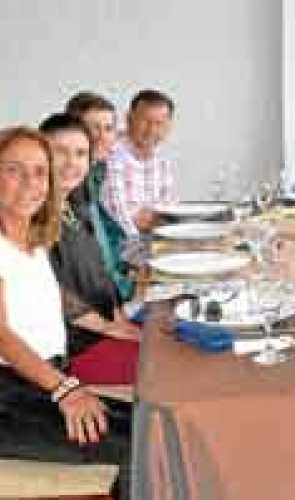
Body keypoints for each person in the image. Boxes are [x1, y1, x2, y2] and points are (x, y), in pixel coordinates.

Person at [0, 126, 130, 498]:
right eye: (14, 170)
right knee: (141, 446)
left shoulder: (31, 239)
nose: (30, 182)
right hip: (11, 396)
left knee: (151, 427)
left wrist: (112, 326)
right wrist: (65, 390)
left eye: (40, 171)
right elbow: (3, 334)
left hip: (42, 380)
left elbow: (47, 295)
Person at [40, 114, 140, 384]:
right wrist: (111, 328)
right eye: (59, 152)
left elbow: (99, 272)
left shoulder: (72, 206)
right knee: (168, 367)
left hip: (104, 329)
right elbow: (46, 290)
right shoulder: (31, 214)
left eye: (81, 153)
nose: (72, 163)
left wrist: (119, 318)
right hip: (75, 347)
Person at [65, 91, 134, 301]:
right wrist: (129, 287)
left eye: (108, 129)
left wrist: (134, 267)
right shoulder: (68, 186)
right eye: (93, 128)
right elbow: (89, 262)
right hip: (100, 305)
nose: (102, 137)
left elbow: (112, 236)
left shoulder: (95, 172)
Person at [101, 89, 178, 236]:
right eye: (145, 121)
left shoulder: (162, 161)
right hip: (122, 247)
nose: (151, 130)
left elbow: (168, 212)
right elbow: (119, 216)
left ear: (168, 127)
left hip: (154, 242)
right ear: (129, 119)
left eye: (159, 123)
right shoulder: (111, 152)